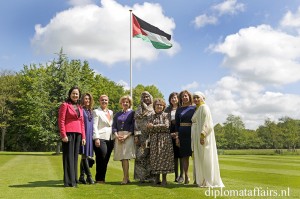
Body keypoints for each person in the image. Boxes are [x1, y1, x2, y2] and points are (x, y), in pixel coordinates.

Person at [191, 92, 224, 188]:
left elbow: (208, 123)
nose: (196, 99)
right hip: (196, 135)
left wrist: (202, 135)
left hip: (202, 136)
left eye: (197, 97)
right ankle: (201, 179)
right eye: (194, 98)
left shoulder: (204, 108)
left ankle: (207, 180)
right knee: (200, 158)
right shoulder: (197, 109)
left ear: (202, 98)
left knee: (205, 157)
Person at [58, 86, 86, 187]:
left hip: (78, 134)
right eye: (73, 93)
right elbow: (61, 121)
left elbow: (82, 122)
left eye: (77, 94)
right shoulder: (64, 105)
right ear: (70, 94)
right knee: (68, 157)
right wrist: (63, 134)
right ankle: (68, 181)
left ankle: (74, 181)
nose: (75, 95)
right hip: (68, 133)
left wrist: (83, 137)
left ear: (79, 96)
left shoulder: (80, 107)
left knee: (74, 158)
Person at [147, 98, 174, 186]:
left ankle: (164, 179)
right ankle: (156, 178)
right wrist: (150, 128)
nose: (159, 106)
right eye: (157, 105)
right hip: (154, 139)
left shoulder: (166, 115)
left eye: (161, 105)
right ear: (154, 106)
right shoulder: (151, 116)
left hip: (164, 139)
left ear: (163, 106)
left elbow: (166, 126)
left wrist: (153, 126)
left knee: (164, 158)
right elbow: (148, 128)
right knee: (155, 158)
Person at [113, 95, 136, 185]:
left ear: (130, 103)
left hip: (128, 136)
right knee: (122, 158)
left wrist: (126, 136)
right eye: (123, 102)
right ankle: (127, 177)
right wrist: (117, 135)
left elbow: (133, 126)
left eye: (127, 102)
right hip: (118, 136)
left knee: (125, 157)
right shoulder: (117, 114)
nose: (125, 103)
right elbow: (114, 126)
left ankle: (125, 178)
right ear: (121, 103)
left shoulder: (132, 113)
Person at [175, 90, 196, 185]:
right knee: (184, 156)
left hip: (193, 132)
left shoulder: (194, 108)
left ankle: (197, 177)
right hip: (182, 132)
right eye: (183, 96)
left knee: (195, 155)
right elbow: (176, 125)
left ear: (189, 97)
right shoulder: (179, 110)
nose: (184, 98)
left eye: (186, 96)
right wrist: (177, 137)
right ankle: (186, 176)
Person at [93, 95, 114, 184]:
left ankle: (102, 179)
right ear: (99, 101)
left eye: (106, 100)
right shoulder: (96, 112)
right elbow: (94, 125)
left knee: (106, 159)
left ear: (108, 101)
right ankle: (99, 178)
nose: (104, 101)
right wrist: (96, 138)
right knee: (101, 157)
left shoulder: (111, 112)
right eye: (102, 100)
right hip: (100, 137)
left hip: (110, 138)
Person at [134, 91, 154, 183]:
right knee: (140, 156)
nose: (146, 98)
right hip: (141, 136)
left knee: (150, 156)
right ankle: (141, 177)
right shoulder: (139, 108)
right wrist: (136, 136)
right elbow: (136, 124)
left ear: (150, 97)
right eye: (144, 97)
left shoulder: (154, 107)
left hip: (152, 135)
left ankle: (151, 177)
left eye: (147, 97)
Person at [164, 92, 183, 183]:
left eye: (175, 97)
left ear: (178, 99)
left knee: (181, 155)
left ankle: (182, 175)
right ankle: (176, 176)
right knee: (175, 155)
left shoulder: (181, 108)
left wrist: (177, 133)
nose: (173, 99)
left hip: (180, 130)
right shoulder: (167, 109)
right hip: (170, 132)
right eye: (172, 98)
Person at [78, 93, 95, 185]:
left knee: (85, 155)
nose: (87, 100)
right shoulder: (80, 109)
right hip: (83, 135)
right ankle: (89, 176)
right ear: (82, 100)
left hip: (90, 135)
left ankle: (81, 176)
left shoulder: (91, 111)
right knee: (84, 155)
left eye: (88, 99)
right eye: (85, 99)